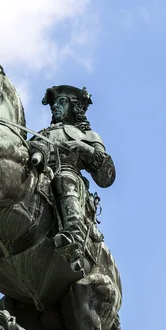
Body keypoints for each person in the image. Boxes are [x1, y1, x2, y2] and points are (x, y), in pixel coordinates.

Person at [30, 85, 115, 270]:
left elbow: (106, 176)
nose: (54, 107)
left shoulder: (88, 135)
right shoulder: (41, 134)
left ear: (74, 107)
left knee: (64, 179)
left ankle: (74, 237)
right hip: (38, 173)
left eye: (61, 102)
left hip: (69, 176)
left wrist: (83, 147)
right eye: (53, 104)